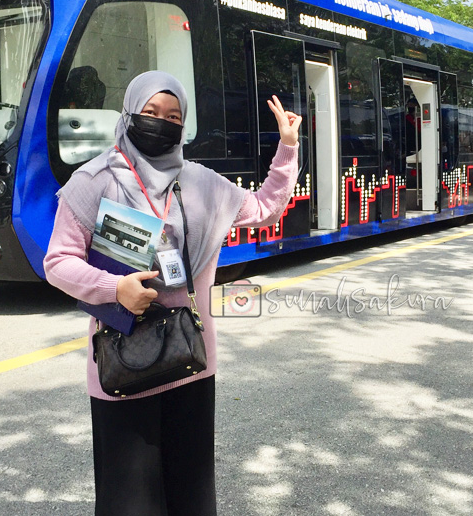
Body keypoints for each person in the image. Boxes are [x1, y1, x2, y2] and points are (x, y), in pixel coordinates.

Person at [44, 71, 301, 515]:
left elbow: (264, 207)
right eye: (151, 112)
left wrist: (288, 147)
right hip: (124, 366)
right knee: (130, 499)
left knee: (191, 492)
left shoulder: (203, 183)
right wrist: (114, 288)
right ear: (129, 114)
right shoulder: (95, 181)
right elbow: (58, 262)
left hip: (191, 361)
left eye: (174, 116)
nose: (162, 122)